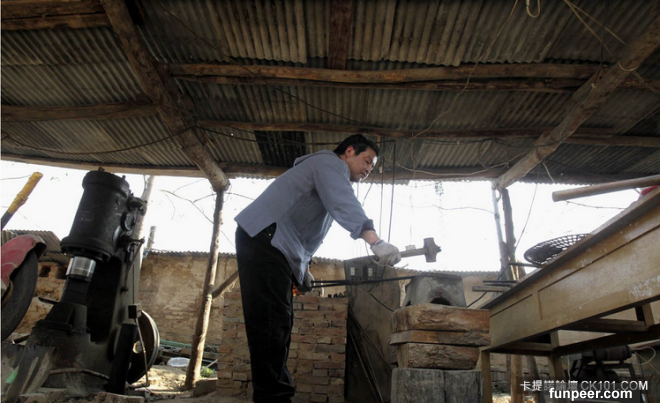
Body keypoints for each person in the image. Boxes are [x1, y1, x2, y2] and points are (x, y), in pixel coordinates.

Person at [234, 134, 401, 402]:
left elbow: (301, 229)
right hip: (265, 238)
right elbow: (343, 203)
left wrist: (302, 269)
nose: (369, 168)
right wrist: (375, 241)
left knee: (278, 325)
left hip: (272, 242)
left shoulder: (323, 172)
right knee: (271, 326)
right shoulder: (329, 164)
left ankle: (274, 396)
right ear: (349, 151)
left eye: (372, 165)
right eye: (367, 160)